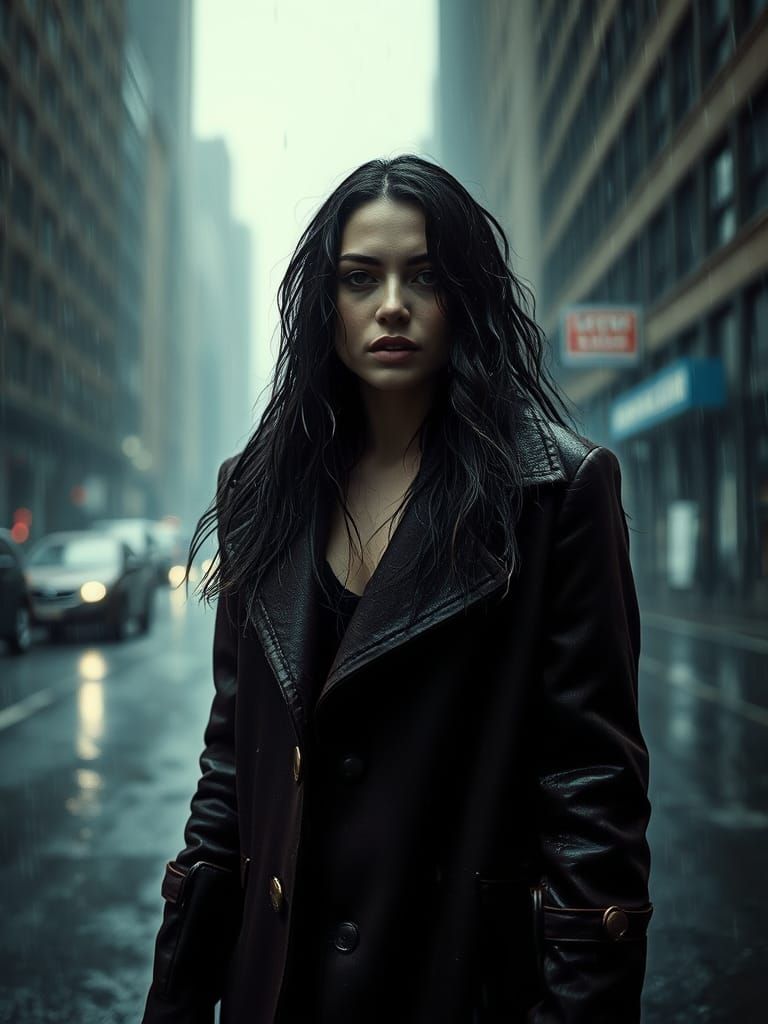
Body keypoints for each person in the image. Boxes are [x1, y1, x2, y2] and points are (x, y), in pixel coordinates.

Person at [141, 155, 653, 1024]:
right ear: (324, 304)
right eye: (359, 277)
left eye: (424, 275)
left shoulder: (556, 494)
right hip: (279, 986)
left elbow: (592, 795)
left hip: (455, 985)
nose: (391, 304)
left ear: (466, 297)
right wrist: (183, 993)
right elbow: (230, 772)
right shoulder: (262, 491)